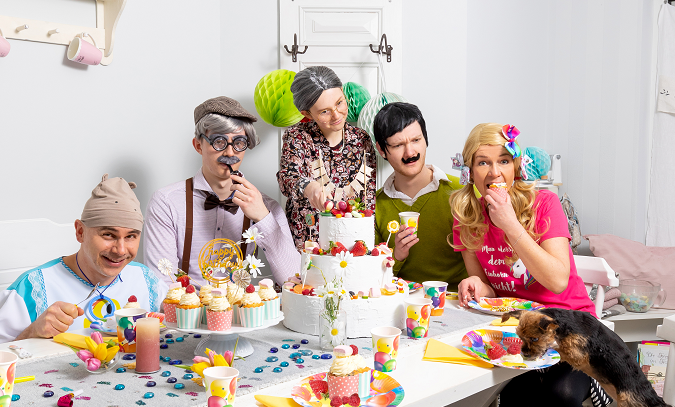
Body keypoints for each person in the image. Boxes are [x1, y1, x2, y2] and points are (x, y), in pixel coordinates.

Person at [449, 123, 608, 407]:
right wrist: (476, 285)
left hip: (573, 326)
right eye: (483, 162)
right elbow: (486, 284)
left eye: (503, 160)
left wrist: (509, 225)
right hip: (522, 336)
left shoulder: (543, 204)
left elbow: (556, 280)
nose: (494, 172)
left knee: (560, 394)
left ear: (516, 166)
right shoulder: (466, 214)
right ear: (470, 170)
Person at [0, 175, 165, 348]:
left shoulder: (147, 281)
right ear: (80, 232)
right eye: (108, 234)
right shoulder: (32, 288)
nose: (120, 250)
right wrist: (31, 333)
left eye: (131, 236)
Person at [144, 97, 299, 285]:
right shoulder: (166, 202)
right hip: (185, 303)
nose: (230, 153)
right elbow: (161, 283)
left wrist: (263, 218)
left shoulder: (266, 206)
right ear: (198, 145)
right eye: (219, 141)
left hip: (241, 303)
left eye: (239, 142)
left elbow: (294, 279)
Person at [278, 66, 376, 250]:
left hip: (353, 244)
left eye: (339, 103)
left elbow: (368, 196)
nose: (336, 115)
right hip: (309, 244)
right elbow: (287, 177)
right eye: (325, 111)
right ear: (307, 114)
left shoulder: (361, 139)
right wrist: (309, 187)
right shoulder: (297, 137)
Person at [372, 102, 467, 290]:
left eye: (416, 140)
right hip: (401, 299)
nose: (410, 152)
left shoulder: (462, 191)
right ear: (382, 150)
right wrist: (396, 255)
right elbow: (372, 278)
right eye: (398, 145)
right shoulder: (374, 205)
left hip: (457, 299)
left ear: (426, 139)